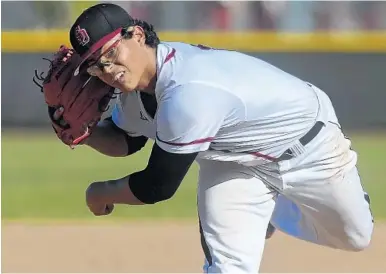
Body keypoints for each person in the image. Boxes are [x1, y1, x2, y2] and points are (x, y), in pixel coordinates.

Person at [56, 3, 374, 273]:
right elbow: (127, 140)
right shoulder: (134, 90)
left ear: (137, 35)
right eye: (96, 65)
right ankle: (257, 212)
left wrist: (99, 193)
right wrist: (84, 135)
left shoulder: (188, 92)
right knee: (227, 267)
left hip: (308, 144)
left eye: (112, 52)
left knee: (355, 238)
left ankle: (273, 210)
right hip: (231, 162)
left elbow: (157, 186)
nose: (108, 68)